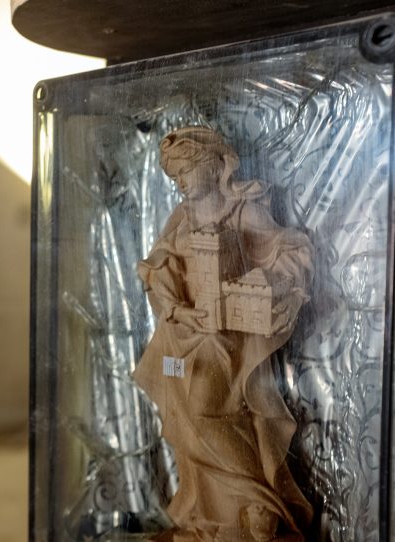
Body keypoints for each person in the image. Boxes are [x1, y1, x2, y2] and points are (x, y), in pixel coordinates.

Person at [133, 126, 314, 541]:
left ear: (214, 166)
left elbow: (290, 251)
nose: (178, 182)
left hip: (228, 336)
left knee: (202, 406)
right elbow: (159, 266)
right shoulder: (181, 217)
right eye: (173, 175)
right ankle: (217, 517)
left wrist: (262, 283)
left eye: (185, 172)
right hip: (184, 332)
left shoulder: (242, 210)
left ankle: (258, 502)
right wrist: (178, 308)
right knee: (183, 414)